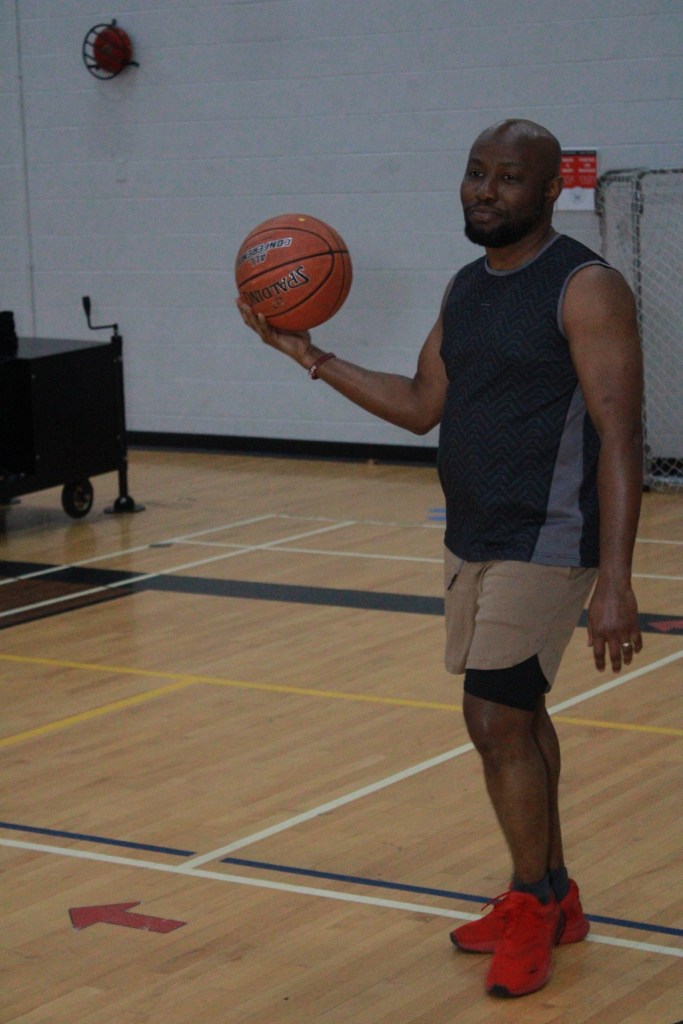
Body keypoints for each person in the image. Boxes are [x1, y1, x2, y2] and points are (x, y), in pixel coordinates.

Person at [237, 119, 644, 999]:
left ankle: (529, 905)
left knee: (492, 719)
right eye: (474, 173)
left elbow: (620, 435)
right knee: (520, 717)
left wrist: (614, 579)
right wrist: (310, 355)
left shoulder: (584, 287)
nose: (485, 191)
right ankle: (556, 895)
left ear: (548, 191)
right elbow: (423, 403)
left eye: (508, 178)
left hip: (546, 536)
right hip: (471, 535)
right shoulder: (464, 288)